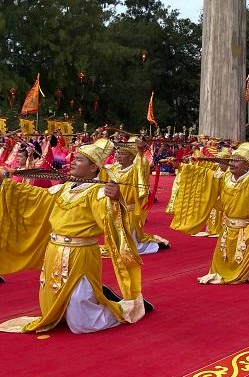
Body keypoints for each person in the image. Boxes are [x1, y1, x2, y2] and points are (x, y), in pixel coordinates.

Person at [0, 139, 146, 333]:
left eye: (79, 160)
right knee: (53, 307)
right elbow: (38, 196)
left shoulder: (99, 192)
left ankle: (119, 310)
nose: (73, 162)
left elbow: (110, 220)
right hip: (54, 253)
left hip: (80, 255)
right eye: (74, 159)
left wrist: (116, 198)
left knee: (80, 323)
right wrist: (8, 184)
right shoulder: (65, 187)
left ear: (94, 167)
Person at [170, 142, 249, 284]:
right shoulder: (224, 178)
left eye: (236, 161)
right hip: (227, 230)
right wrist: (182, 167)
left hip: (247, 232)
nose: (231, 163)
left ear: (246, 165)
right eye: (231, 160)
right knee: (220, 271)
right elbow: (203, 176)